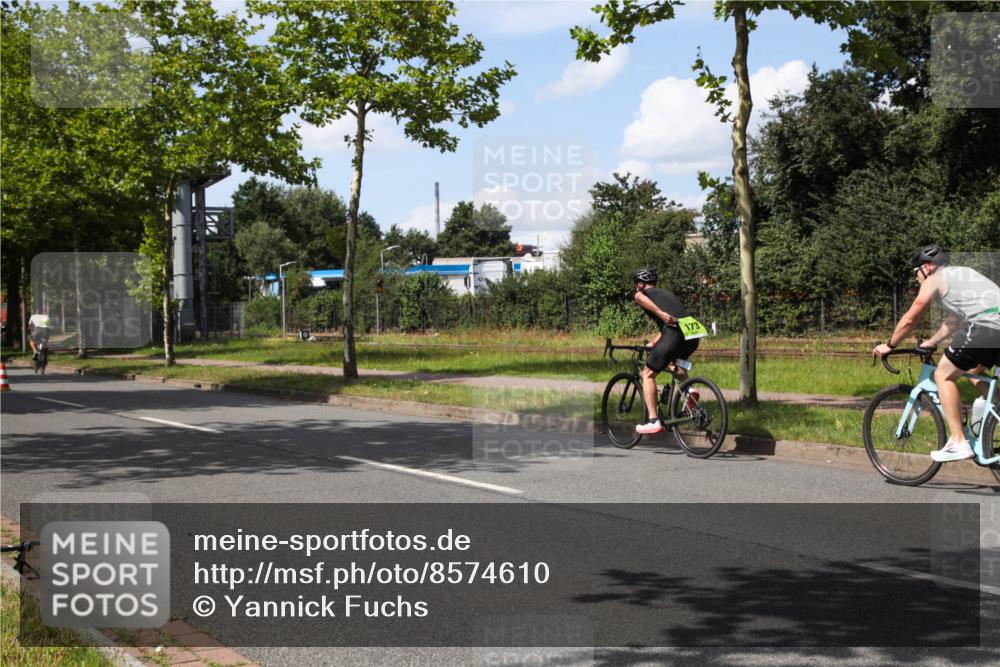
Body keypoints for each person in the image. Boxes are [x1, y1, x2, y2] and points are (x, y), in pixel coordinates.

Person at [872, 245, 1000, 462]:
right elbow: (953, 321)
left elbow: (911, 318)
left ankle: (958, 442)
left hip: (986, 324)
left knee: (943, 375)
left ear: (928, 267)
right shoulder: (963, 274)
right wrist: (931, 342)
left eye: (916, 273)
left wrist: (890, 345)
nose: (916, 278)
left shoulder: (935, 278)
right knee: (972, 370)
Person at [632, 267, 707, 434]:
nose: (636, 290)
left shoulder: (641, 294)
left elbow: (664, 317)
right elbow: (669, 324)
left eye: (636, 285)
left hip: (675, 334)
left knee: (647, 374)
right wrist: (654, 343)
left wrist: (661, 314)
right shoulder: (666, 294)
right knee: (675, 363)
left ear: (639, 284)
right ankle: (689, 390)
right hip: (692, 335)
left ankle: (653, 420)